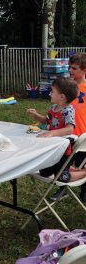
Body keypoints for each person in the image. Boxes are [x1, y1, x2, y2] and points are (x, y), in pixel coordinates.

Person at [27, 77, 79, 182]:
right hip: (51, 149)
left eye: (52, 91)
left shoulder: (68, 110)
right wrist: (35, 115)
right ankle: (67, 168)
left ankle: (82, 172)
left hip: (63, 151)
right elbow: (45, 121)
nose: (50, 93)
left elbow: (70, 129)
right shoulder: (53, 108)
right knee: (44, 173)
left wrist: (52, 133)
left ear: (62, 97)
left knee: (61, 178)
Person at [51, 53, 86, 201]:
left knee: (82, 162)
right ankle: (63, 188)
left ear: (84, 70)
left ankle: (84, 192)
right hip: (67, 135)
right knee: (64, 163)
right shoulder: (66, 87)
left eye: (74, 68)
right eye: (69, 67)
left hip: (82, 134)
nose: (70, 70)